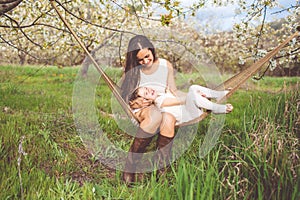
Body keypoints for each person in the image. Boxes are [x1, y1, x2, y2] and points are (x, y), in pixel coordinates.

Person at [120, 35, 184, 184]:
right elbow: (126, 98)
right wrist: (135, 103)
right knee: (155, 115)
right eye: (140, 60)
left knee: (168, 117)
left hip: (162, 103)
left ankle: (159, 169)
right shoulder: (133, 71)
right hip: (143, 110)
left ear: (152, 50)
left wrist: (200, 96)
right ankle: (130, 166)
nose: (145, 62)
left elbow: (174, 91)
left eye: (147, 56)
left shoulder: (165, 65)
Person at [129, 85, 233, 125]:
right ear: (146, 101)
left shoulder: (161, 95)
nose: (150, 90)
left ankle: (218, 95)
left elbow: (176, 96)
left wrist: (170, 91)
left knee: (193, 88)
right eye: (146, 93)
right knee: (192, 91)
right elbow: (180, 101)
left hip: (192, 109)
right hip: (189, 115)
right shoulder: (158, 101)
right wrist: (195, 95)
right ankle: (217, 108)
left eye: (147, 88)